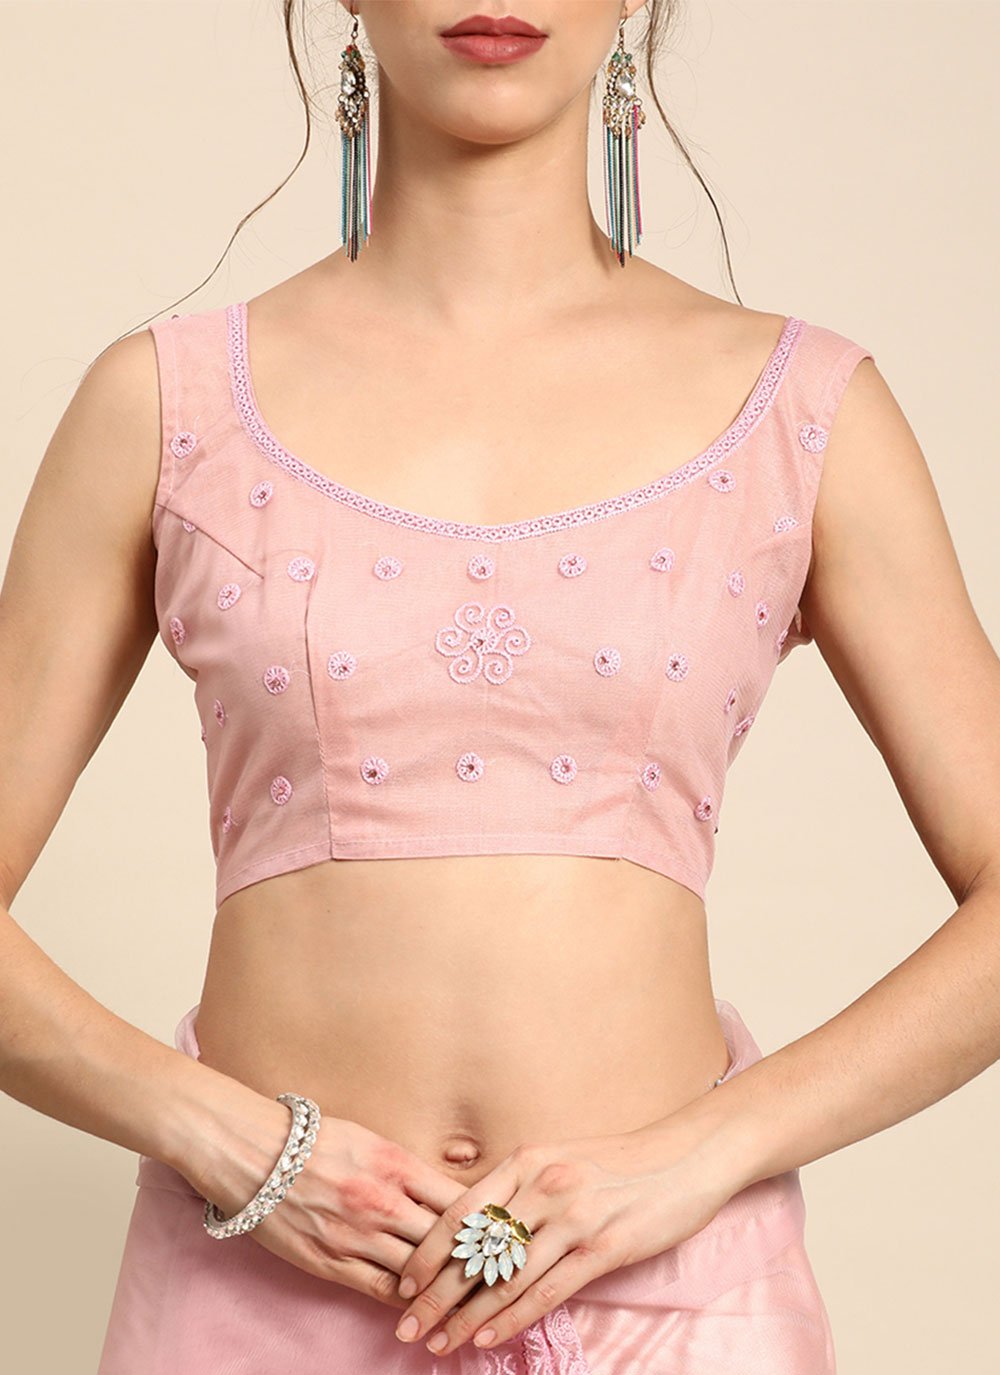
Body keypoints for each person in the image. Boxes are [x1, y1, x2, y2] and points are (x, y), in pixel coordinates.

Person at [3, 2, 998, 1372]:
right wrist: (226, 1140)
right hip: (253, 1295)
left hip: (677, 1313)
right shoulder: (163, 407)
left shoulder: (803, 409)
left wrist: (700, 1156)